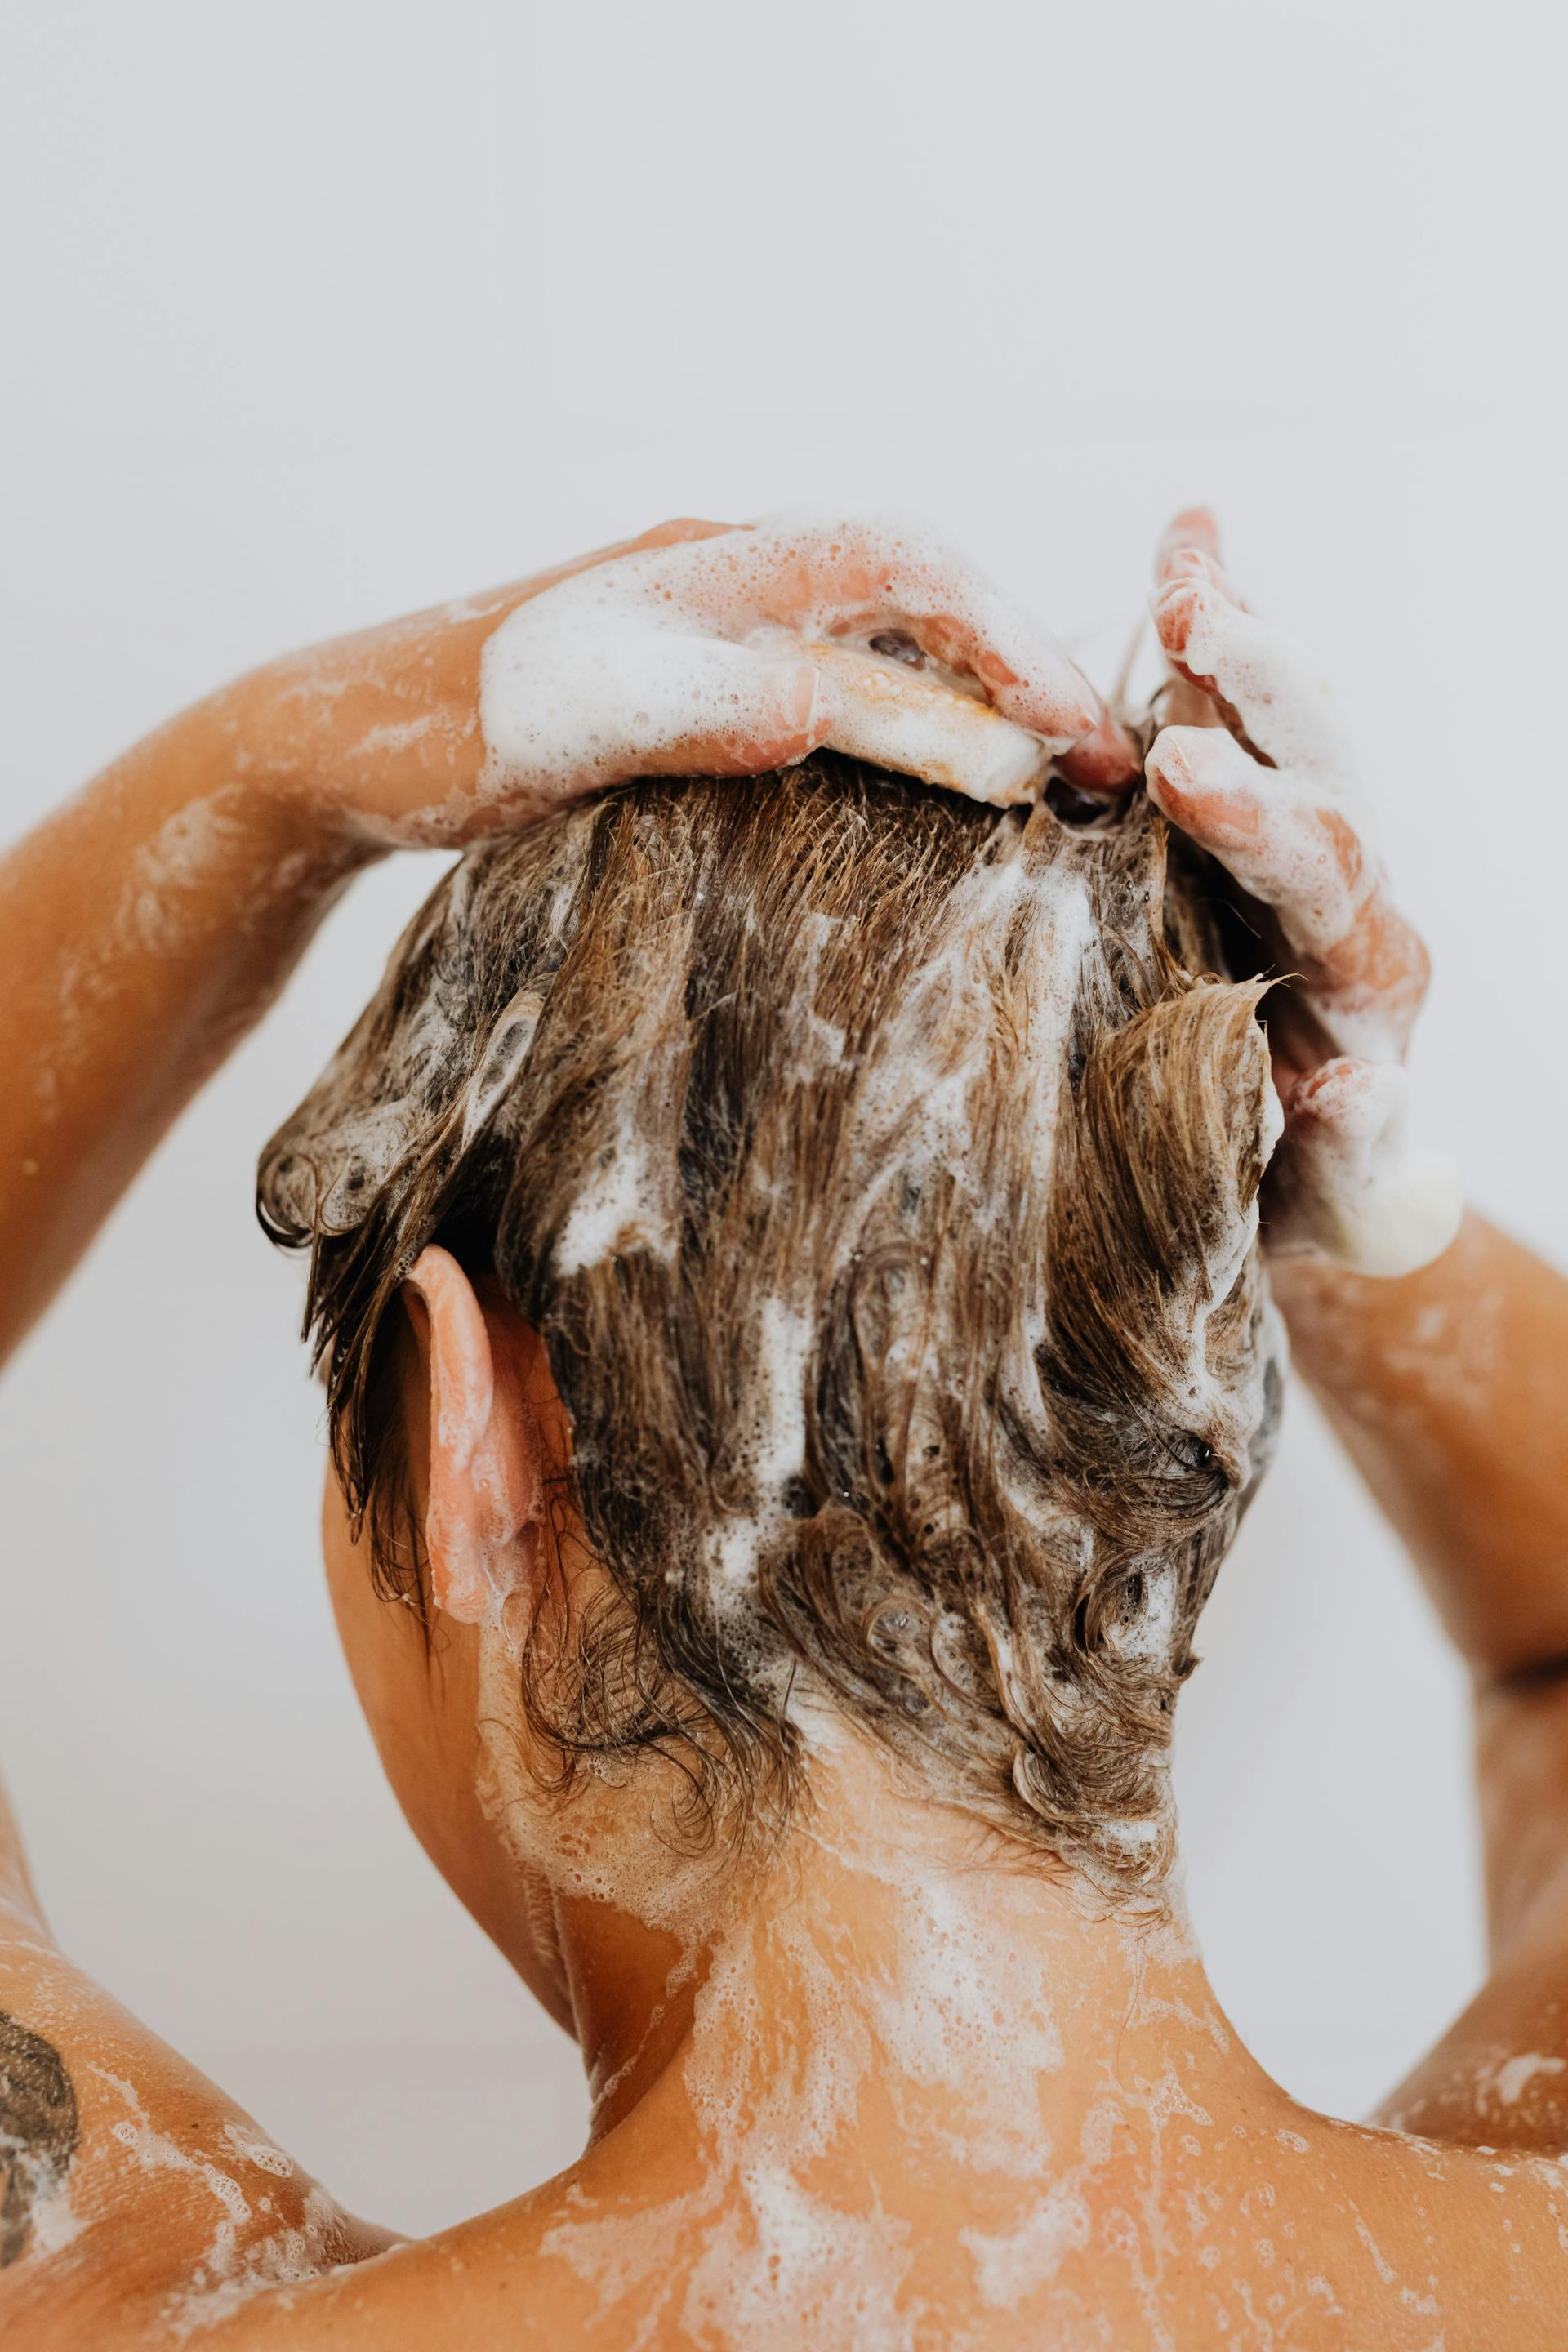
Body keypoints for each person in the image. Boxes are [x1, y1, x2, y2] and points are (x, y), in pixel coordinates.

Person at [0, 507, 1562, 2350]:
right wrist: (1355, 1200)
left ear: (470, 1435)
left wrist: (278, 777)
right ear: (1166, 1405)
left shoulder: (116, 2299)